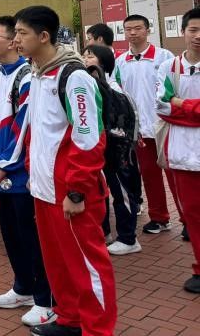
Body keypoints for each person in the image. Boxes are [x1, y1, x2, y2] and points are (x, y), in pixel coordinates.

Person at [15, 5, 116, 336]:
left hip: (71, 190)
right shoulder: (36, 74)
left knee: (88, 263)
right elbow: (39, 132)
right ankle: (70, 319)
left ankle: (98, 329)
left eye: (22, 33)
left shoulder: (74, 77)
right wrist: (32, 173)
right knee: (58, 261)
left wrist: (75, 190)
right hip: (44, 188)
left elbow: (88, 139)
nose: (16, 40)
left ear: (44, 36)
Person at [0, 16, 54, 328]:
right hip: (0, 172)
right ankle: (23, 287)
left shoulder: (26, 76)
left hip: (21, 175)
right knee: (11, 233)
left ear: (12, 42)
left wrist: (5, 163)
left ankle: (45, 299)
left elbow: (25, 127)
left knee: (32, 238)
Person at [114, 14, 177, 236]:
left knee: (174, 176)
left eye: (138, 28)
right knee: (150, 176)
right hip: (139, 130)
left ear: (148, 30)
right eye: (128, 29)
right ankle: (159, 218)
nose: (132, 33)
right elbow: (119, 94)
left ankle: (189, 222)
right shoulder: (121, 62)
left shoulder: (164, 57)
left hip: (164, 126)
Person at [156, 7, 200, 293]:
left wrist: (181, 103)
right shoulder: (169, 68)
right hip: (183, 154)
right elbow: (162, 107)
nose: (198, 36)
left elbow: (173, 105)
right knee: (193, 214)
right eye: (193, 30)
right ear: (183, 31)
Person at [83, 44, 142, 255]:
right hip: (102, 149)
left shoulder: (114, 89)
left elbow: (127, 121)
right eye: (84, 55)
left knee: (122, 193)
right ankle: (104, 232)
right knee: (102, 192)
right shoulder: (92, 84)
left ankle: (128, 238)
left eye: (90, 56)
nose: (85, 59)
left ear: (104, 62)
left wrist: (127, 143)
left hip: (117, 150)